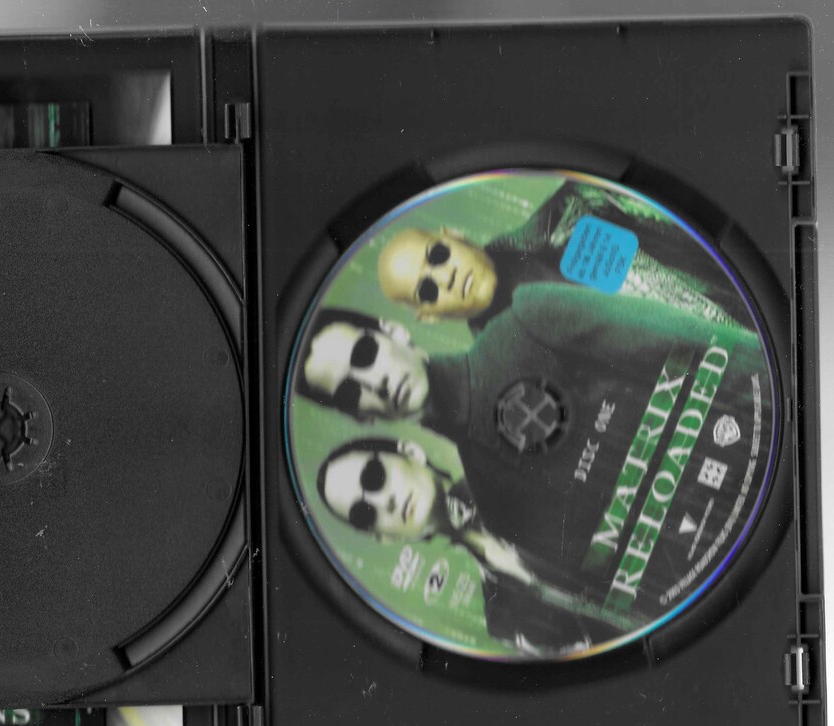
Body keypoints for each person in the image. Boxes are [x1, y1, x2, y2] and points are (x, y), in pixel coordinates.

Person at [292, 287, 768, 613]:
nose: (373, 382)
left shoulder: (528, 320)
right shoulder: (497, 509)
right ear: (362, 417)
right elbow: (643, 590)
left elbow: (717, 350)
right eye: (350, 391)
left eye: (363, 354)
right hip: (750, 571)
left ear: (392, 332)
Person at [314, 437, 628, 654]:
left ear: (410, 451)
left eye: (374, 476)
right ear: (386, 536)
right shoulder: (501, 620)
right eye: (365, 513)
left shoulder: (521, 460)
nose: (385, 501)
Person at [375, 179, 748, 331]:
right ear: (429, 316)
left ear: (454, 236)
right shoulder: (511, 387)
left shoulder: (581, 203)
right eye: (426, 290)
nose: (446, 277)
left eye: (437, 255)